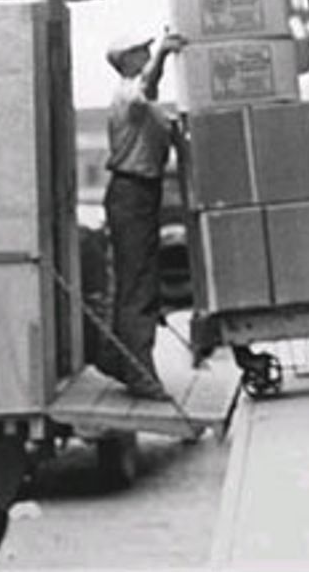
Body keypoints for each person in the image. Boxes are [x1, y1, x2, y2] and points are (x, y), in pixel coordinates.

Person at [100, 28, 187, 400]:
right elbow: (146, 89)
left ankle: (123, 361)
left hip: (142, 193)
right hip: (131, 193)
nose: (149, 54)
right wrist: (164, 54)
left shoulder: (148, 105)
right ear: (128, 59)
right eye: (143, 50)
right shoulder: (128, 93)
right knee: (138, 285)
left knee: (140, 281)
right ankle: (138, 373)